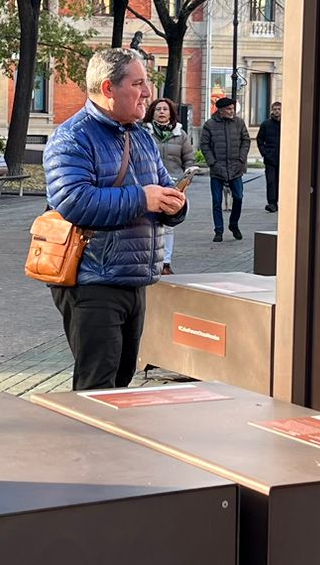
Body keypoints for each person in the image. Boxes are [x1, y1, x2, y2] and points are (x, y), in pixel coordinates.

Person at [41, 49, 189, 388]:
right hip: (92, 281)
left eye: (146, 83)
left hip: (134, 279)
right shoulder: (72, 137)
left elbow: (163, 188)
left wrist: (175, 205)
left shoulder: (140, 135)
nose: (148, 93)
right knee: (97, 388)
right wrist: (143, 198)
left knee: (121, 383)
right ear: (108, 88)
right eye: (138, 84)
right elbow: (74, 201)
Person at [146, 96, 193, 274]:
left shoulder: (180, 134)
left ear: (170, 113)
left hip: (173, 183)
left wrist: (187, 177)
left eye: (165, 109)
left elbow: (188, 158)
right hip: (151, 184)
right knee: (150, 223)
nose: (161, 112)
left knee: (168, 226)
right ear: (152, 113)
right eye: (158, 109)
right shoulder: (144, 132)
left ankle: (165, 262)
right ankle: (151, 259)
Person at [199, 94, 252, 240]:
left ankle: (233, 224)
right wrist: (212, 162)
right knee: (217, 201)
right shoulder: (210, 125)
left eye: (233, 108)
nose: (232, 111)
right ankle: (219, 230)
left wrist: (241, 159)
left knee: (238, 197)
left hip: (236, 167)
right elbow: (204, 145)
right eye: (229, 109)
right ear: (220, 110)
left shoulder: (239, 123)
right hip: (217, 168)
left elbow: (246, 141)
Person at [256, 100, 283, 211]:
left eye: (279, 109)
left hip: (284, 158)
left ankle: (283, 202)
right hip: (270, 158)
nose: (277, 111)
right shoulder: (266, 124)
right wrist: (264, 153)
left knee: (282, 181)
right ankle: (272, 203)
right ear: (272, 110)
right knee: (271, 182)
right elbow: (259, 140)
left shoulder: (287, 124)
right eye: (275, 109)